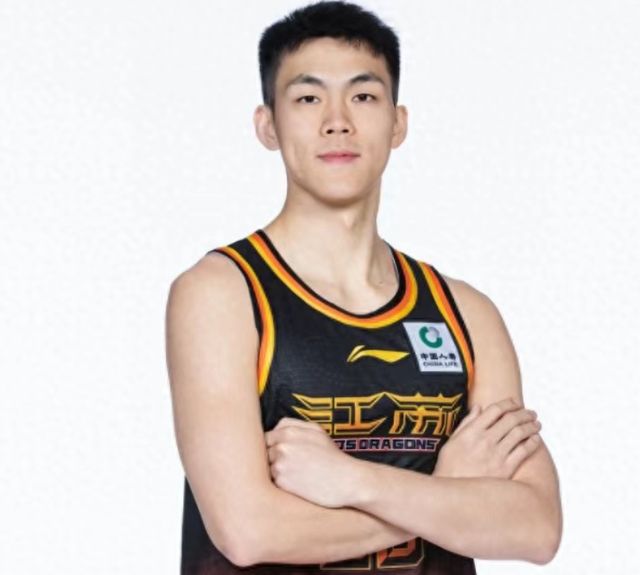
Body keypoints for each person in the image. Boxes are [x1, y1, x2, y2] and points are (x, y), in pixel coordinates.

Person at [165, 2, 562, 573]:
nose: (337, 121)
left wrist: (353, 480)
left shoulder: (465, 313)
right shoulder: (222, 294)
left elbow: (536, 527)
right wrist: (443, 490)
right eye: (308, 98)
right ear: (268, 125)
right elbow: (248, 532)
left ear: (397, 124)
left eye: (364, 96)